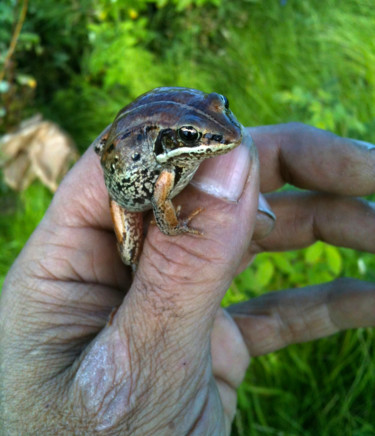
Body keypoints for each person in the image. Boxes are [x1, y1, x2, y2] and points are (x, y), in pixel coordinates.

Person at [0, 123, 374, 435]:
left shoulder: (200, 145)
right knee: (131, 252)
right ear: (176, 142)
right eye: (194, 137)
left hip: (133, 136)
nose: (223, 135)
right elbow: (161, 202)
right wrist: (176, 233)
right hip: (126, 188)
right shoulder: (166, 172)